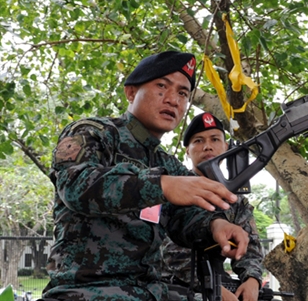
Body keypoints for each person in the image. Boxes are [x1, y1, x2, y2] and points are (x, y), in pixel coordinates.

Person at [42, 51, 250, 301]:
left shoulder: (166, 163)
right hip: (86, 290)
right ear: (131, 92)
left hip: (151, 292)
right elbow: (77, 186)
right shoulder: (94, 133)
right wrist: (161, 185)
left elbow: (184, 216)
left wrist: (216, 225)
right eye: (162, 86)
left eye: (183, 93)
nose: (173, 100)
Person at [161, 112, 263, 301]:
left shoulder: (234, 199)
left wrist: (252, 280)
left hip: (217, 280)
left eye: (215, 139)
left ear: (225, 146)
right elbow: (172, 255)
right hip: (174, 285)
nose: (207, 146)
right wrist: (217, 291)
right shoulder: (174, 187)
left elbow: (250, 247)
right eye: (198, 141)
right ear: (187, 151)